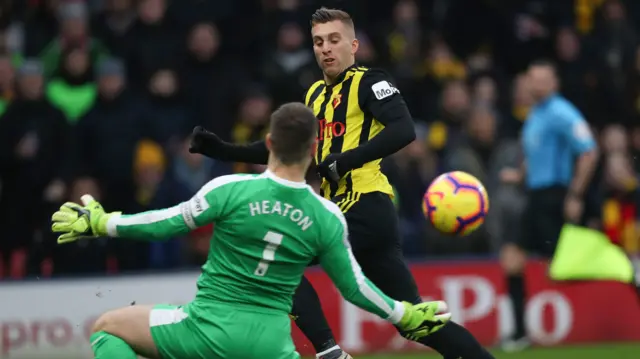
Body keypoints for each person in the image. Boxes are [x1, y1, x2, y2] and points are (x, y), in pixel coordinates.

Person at [189, 7, 495, 359]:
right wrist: (223, 149)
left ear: (353, 46)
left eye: (334, 40)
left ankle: (328, 351)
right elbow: (286, 151)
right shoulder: (314, 96)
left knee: (275, 262)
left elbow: (403, 130)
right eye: (319, 42)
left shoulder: (370, 81)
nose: (326, 49)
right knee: (413, 320)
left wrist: (344, 161)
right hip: (346, 214)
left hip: (366, 206)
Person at [50, 102, 452, 359]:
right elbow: (354, 287)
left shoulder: (231, 189)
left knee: (108, 327)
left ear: (270, 142)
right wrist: (406, 313)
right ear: (315, 148)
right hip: (270, 346)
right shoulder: (327, 215)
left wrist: (102, 222)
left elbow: (165, 224)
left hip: (203, 331)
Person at [498, 60, 599, 351]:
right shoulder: (536, 114)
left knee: (566, 265)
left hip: (554, 196)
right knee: (512, 258)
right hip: (535, 196)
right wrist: (519, 175)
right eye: (533, 79)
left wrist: (575, 195)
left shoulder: (561, 112)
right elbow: (537, 155)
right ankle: (519, 333)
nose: (536, 84)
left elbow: (589, 152)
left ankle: (624, 270)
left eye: (542, 79)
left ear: (554, 83)